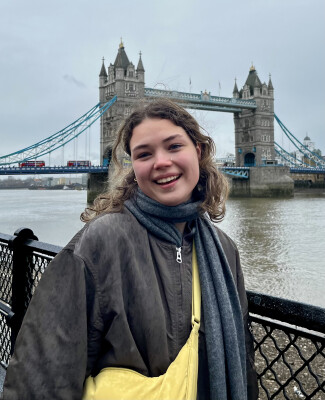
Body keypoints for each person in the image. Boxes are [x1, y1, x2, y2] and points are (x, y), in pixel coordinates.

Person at [3, 99, 258, 399]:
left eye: (174, 146)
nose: (161, 162)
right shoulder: (99, 243)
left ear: (198, 151)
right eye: (144, 154)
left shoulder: (225, 251)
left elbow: (244, 357)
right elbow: (43, 373)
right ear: (133, 166)